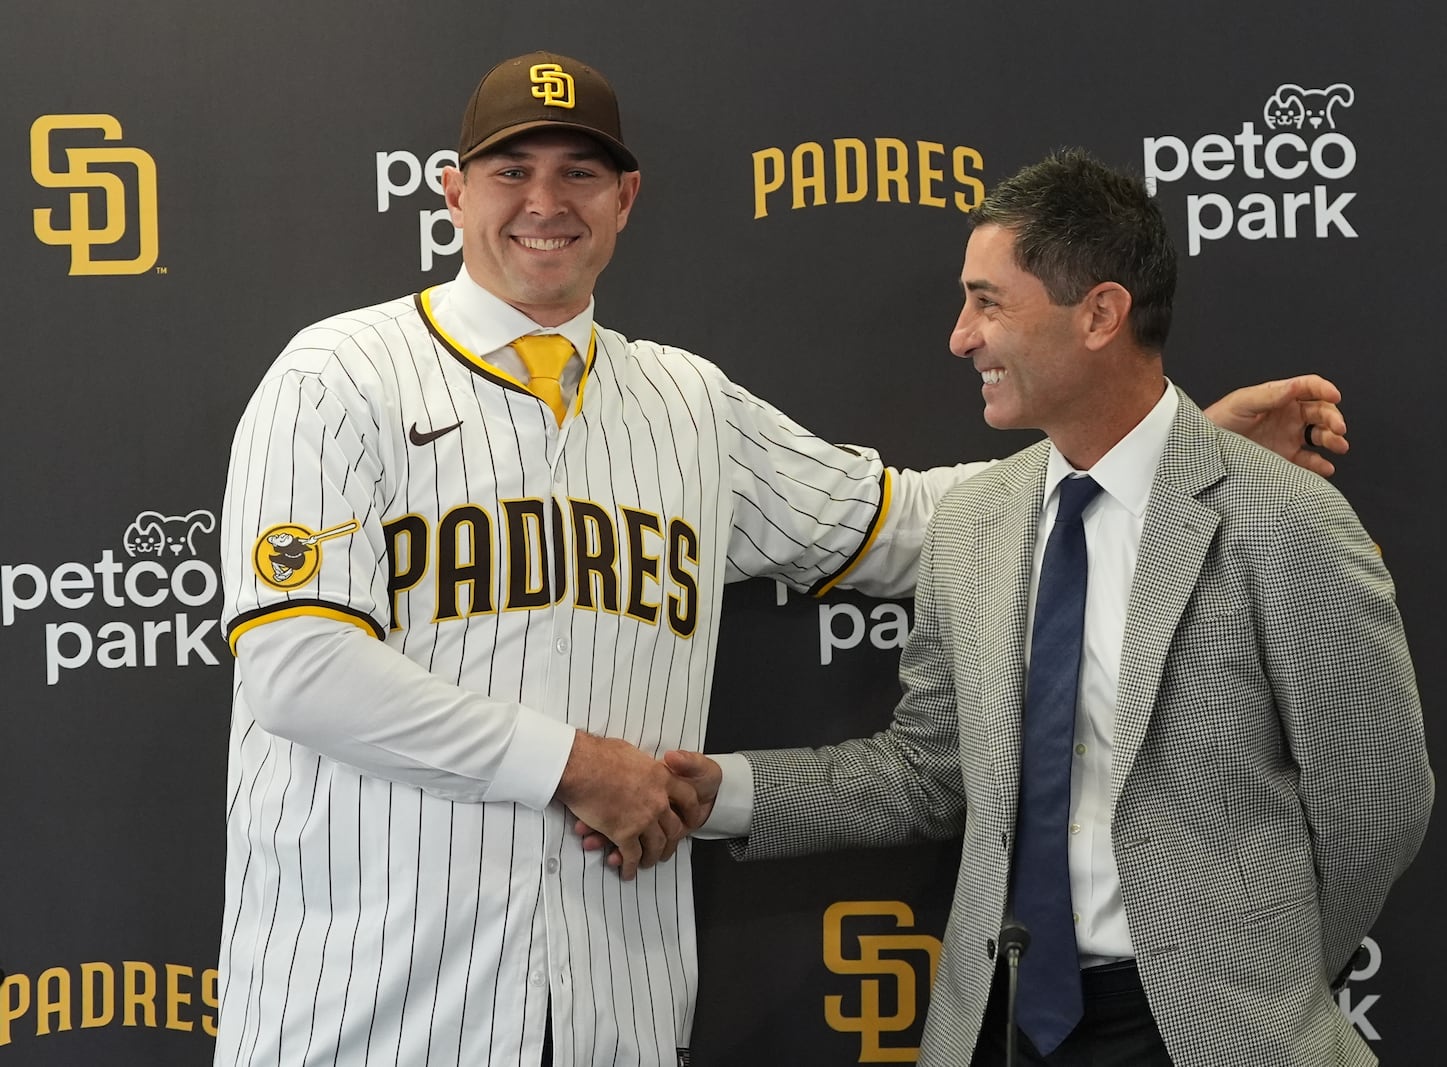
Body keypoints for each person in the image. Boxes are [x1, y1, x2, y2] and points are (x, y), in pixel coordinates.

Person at [213, 48, 1354, 1067]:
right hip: (369, 999)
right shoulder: (338, 376)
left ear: (626, 200)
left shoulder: (685, 402)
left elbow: (915, 521)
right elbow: (299, 666)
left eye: (580, 174)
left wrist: (1160, 445)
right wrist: (571, 760)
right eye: (512, 172)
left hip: (605, 992)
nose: (545, 203)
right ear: (455, 193)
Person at [662, 148, 1433, 1066]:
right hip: (1004, 1025)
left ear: (1101, 313)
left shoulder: (1284, 518)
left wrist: (1253, 971)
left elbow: (1377, 808)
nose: (960, 335)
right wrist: (731, 791)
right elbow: (930, 769)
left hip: (1214, 1036)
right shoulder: (974, 525)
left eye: (989, 302)